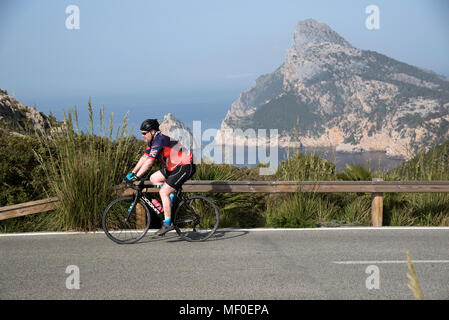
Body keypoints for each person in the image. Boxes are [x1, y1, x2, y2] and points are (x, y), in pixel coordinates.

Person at [125, 119, 196, 236]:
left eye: (144, 133)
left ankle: (168, 223)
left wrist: (136, 176)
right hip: (173, 167)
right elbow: (144, 158)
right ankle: (169, 201)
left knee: (163, 192)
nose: (142, 136)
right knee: (154, 178)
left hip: (185, 166)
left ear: (152, 132)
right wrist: (132, 172)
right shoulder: (152, 141)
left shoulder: (159, 140)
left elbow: (148, 163)